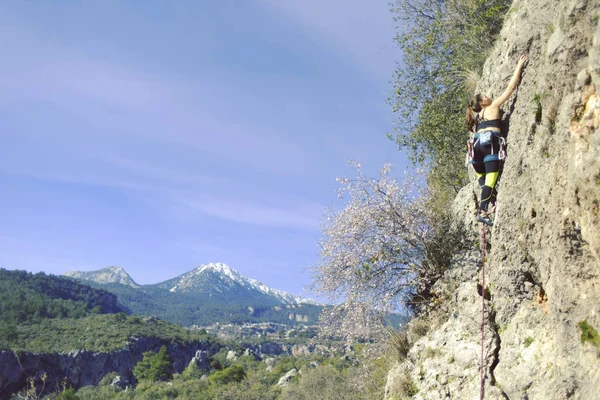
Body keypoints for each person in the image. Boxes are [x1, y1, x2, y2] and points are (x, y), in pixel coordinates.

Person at [466, 54, 528, 226]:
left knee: (483, 178)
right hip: (490, 145)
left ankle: (490, 198)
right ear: (483, 102)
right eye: (484, 96)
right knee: (490, 180)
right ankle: (483, 210)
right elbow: (510, 88)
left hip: (475, 149)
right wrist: (519, 65)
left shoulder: (477, 117)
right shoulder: (492, 107)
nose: (488, 96)